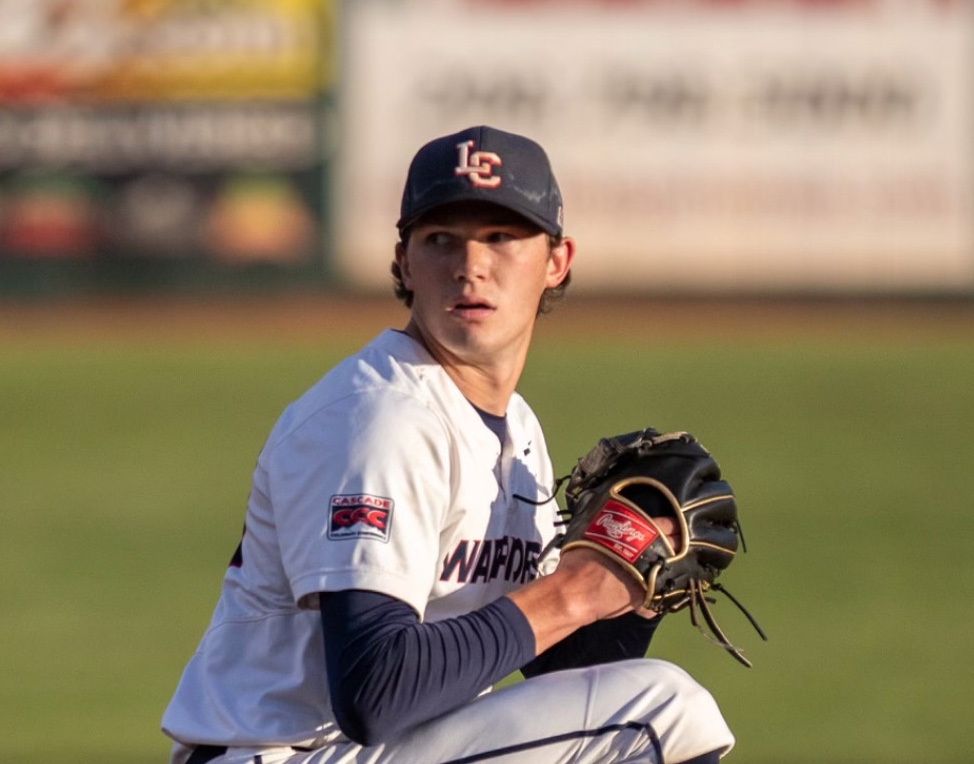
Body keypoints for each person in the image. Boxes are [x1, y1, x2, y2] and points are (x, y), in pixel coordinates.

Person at [161, 125, 735, 764]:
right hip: (285, 755)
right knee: (664, 710)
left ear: (557, 261)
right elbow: (376, 693)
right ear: (404, 261)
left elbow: (561, 678)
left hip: (364, 752)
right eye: (442, 241)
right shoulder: (382, 418)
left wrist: (631, 581)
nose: (471, 266)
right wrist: (573, 592)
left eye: (501, 237)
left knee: (636, 707)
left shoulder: (514, 427)